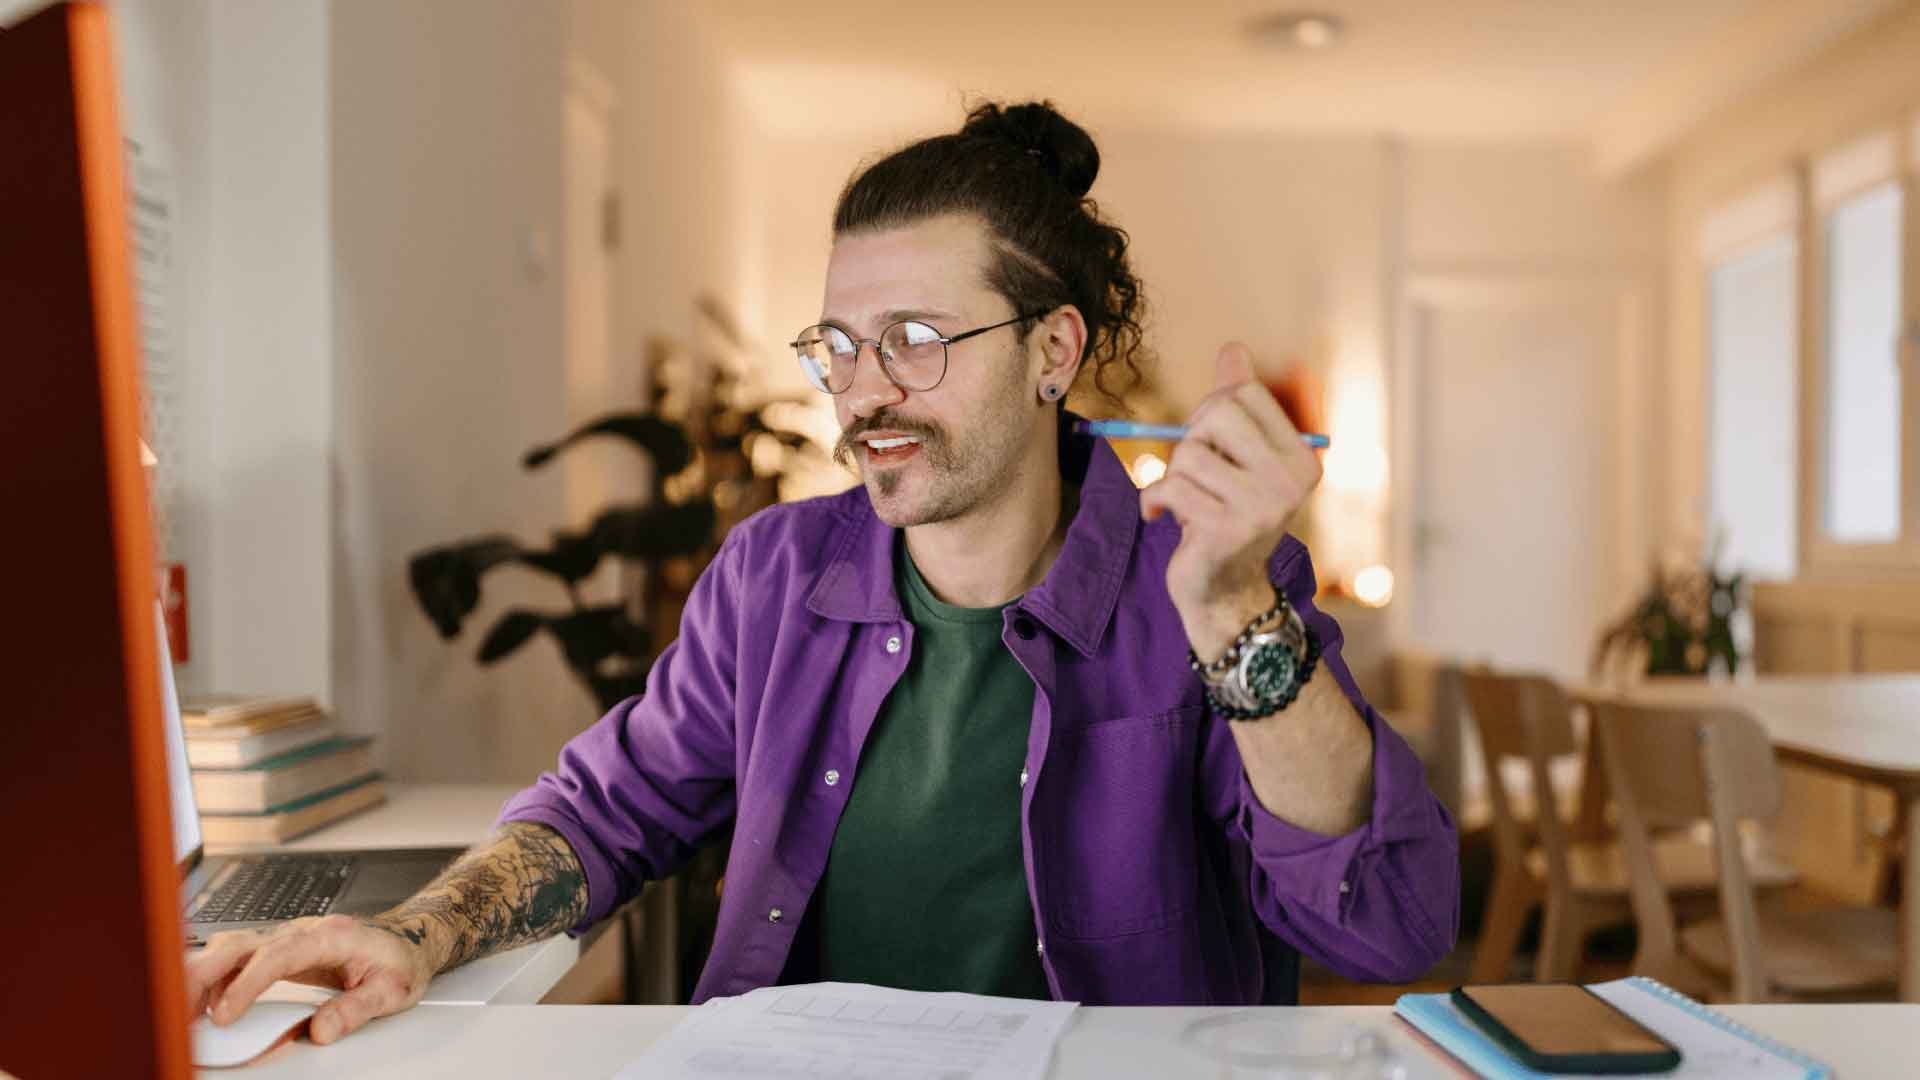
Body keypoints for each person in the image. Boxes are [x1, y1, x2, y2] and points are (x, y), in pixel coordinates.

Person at [188, 100, 1458, 1045]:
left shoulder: (1213, 583)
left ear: (1054, 351)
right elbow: (606, 809)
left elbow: (1389, 924)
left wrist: (1236, 612)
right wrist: (415, 934)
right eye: (841, 345)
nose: (866, 393)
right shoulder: (772, 576)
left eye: (914, 339)